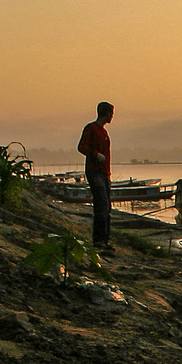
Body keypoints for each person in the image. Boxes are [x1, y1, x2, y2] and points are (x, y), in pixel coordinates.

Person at [77, 102, 114, 252]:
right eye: (111, 113)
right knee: (101, 204)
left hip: (105, 173)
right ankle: (98, 240)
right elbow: (81, 147)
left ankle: (105, 240)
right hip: (95, 171)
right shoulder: (91, 128)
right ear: (105, 114)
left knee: (107, 206)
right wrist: (95, 154)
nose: (112, 116)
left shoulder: (104, 132)